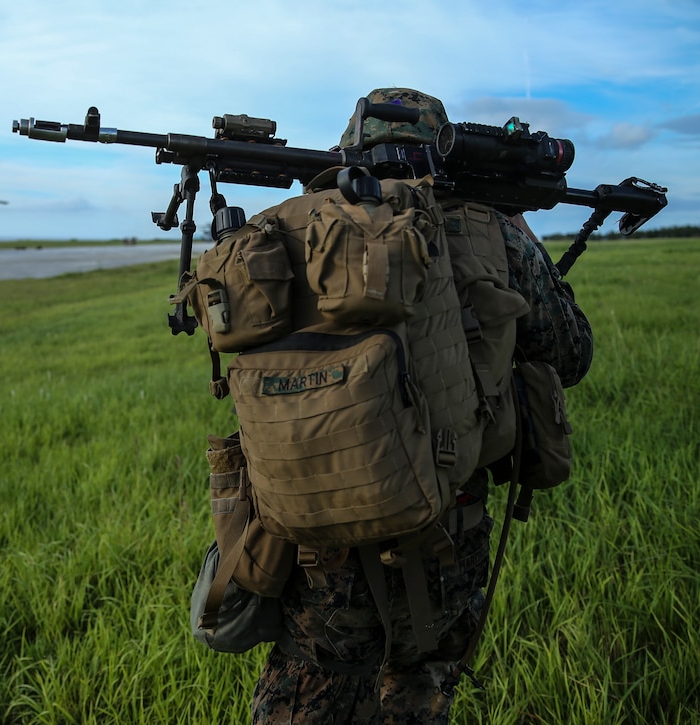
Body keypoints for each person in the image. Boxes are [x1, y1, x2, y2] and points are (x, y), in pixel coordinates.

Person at [249, 89, 594, 725]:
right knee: (419, 696)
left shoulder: (287, 228)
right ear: (443, 152)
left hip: (319, 540)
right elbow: (571, 354)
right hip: (446, 539)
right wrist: (514, 230)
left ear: (349, 148)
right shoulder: (492, 229)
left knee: (308, 701)